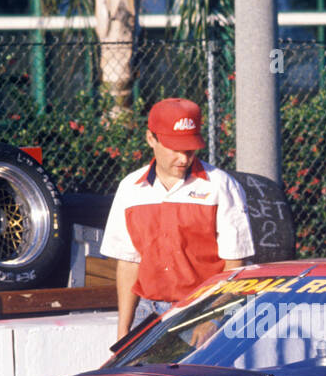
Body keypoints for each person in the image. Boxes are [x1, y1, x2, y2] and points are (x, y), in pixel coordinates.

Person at [101, 97, 254, 339]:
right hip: (147, 315)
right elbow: (129, 263)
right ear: (151, 139)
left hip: (203, 309)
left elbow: (235, 265)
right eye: (175, 149)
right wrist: (123, 330)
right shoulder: (129, 188)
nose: (184, 159)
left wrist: (212, 318)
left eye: (190, 150)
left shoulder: (222, 186)